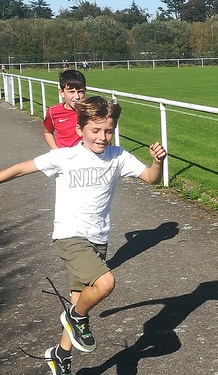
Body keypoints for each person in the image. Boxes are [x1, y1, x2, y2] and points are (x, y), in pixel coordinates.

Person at [0, 95, 167, 375]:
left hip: (98, 238)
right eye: (95, 130)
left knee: (80, 299)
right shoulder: (65, 157)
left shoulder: (118, 157)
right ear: (80, 130)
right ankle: (74, 317)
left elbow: (151, 178)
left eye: (108, 130)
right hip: (69, 235)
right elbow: (19, 170)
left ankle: (60, 356)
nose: (102, 137)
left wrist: (157, 162)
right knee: (104, 284)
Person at [43, 70, 86, 149]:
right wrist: (56, 151)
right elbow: (48, 132)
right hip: (64, 158)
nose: (76, 96)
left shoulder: (91, 111)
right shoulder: (53, 112)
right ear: (61, 92)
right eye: (71, 92)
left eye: (80, 92)